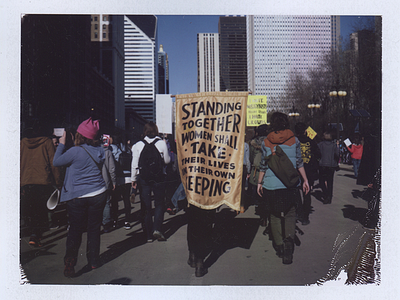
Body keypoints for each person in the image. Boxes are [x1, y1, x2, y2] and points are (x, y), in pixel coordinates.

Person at [53, 117, 107, 277]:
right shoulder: (100, 151)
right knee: (93, 228)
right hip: (98, 193)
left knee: (75, 230)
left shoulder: (75, 151)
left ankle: (70, 263)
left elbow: (57, 162)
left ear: (80, 135)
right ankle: (94, 261)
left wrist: (61, 143)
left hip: (77, 196)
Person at [257, 112, 309, 265]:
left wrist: (259, 183)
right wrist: (305, 180)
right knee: (290, 213)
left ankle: (279, 245)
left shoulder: (266, 142)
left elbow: (263, 165)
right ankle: (288, 242)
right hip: (290, 185)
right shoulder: (295, 140)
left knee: (274, 214)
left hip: (271, 186)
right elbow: (299, 163)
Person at [20, 122, 62, 246]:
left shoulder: (22, 143)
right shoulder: (47, 142)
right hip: (43, 181)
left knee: (29, 208)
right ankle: (35, 235)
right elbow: (54, 164)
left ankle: (31, 232)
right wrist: (58, 181)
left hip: (26, 180)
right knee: (41, 210)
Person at [131, 122, 170, 242]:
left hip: (144, 178)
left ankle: (148, 235)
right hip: (159, 177)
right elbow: (167, 161)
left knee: (146, 206)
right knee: (159, 204)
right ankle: (157, 229)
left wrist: (133, 179)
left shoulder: (138, 145)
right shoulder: (161, 143)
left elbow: (134, 164)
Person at [294, 122, 321, 225]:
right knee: (307, 192)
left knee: (296, 192)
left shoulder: (294, 141)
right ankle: (305, 217)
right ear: (305, 131)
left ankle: (298, 212)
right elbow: (318, 154)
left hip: (296, 170)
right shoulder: (311, 141)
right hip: (309, 170)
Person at [249, 124, 269, 228]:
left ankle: (263, 216)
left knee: (259, 194)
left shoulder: (253, 143)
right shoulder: (270, 141)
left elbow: (251, 158)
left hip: (257, 170)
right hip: (269, 169)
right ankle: (267, 215)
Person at [111, 135, 133, 230]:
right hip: (128, 177)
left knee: (115, 200)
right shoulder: (127, 149)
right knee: (126, 199)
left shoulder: (112, 148)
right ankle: (127, 221)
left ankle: (115, 220)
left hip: (118, 177)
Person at [100, 134, 117, 233]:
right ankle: (106, 224)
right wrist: (113, 181)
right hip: (105, 182)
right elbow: (112, 169)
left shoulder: (93, 151)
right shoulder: (108, 152)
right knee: (106, 203)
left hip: (94, 182)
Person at [318, 131, 339, 204]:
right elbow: (337, 154)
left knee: (321, 181)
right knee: (330, 182)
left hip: (322, 164)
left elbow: (317, 153)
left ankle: (325, 193)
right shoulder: (333, 145)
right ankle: (329, 196)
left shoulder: (320, 145)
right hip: (331, 165)